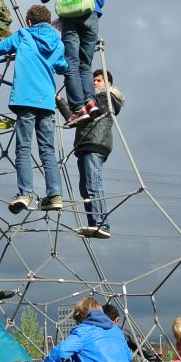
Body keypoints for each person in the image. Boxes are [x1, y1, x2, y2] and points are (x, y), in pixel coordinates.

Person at [0, 4, 68, 214]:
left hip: (26, 99)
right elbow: (62, 66)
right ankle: (55, 195)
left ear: (29, 22)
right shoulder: (57, 42)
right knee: (47, 150)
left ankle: (25, 193)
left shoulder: (24, 34)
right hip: (47, 101)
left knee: (24, 147)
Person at [39, 0, 105, 127]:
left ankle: (78, 108)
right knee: (86, 64)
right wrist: (94, 12)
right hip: (89, 18)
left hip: (68, 20)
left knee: (71, 64)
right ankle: (91, 102)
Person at [57, 68, 123, 238]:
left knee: (93, 184)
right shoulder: (92, 100)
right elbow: (76, 118)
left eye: (98, 80)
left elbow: (94, 113)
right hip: (85, 145)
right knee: (85, 188)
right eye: (93, 80)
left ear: (108, 83)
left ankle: (102, 223)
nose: (94, 83)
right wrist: (60, 102)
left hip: (95, 143)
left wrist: (79, 92)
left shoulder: (107, 97)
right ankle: (94, 223)